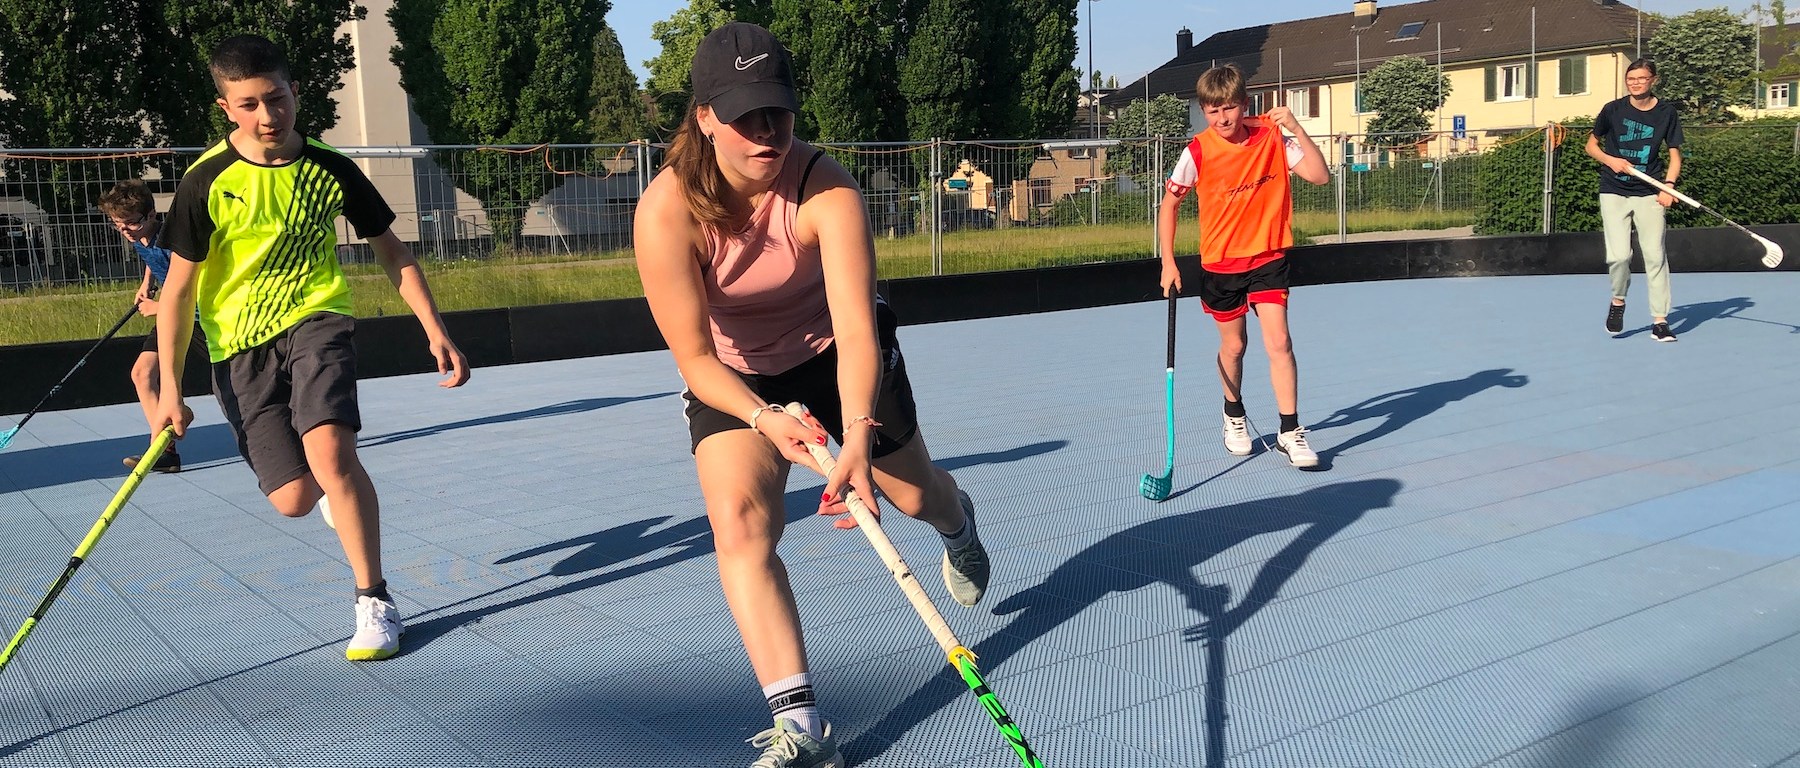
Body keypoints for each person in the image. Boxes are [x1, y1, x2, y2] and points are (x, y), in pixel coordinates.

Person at [632, 22, 989, 767]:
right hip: (739, 377)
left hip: (835, 354)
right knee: (740, 525)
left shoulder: (825, 188)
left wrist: (854, 432)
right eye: (745, 116)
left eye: (779, 111)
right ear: (704, 118)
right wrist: (763, 417)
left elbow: (859, 333)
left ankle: (960, 522)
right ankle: (802, 725)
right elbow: (694, 357)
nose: (767, 132)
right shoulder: (666, 212)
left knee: (914, 496)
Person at [152, 35, 470, 662]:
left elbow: (392, 252)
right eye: (248, 105)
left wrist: (434, 327)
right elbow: (180, 290)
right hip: (237, 342)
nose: (266, 117)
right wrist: (169, 387)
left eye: (276, 99)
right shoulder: (205, 182)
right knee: (295, 499)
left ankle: (374, 600)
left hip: (317, 316)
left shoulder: (331, 168)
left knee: (331, 451)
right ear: (226, 108)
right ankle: (331, 494)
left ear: (295, 92)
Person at [1157, 64, 1331, 469]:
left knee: (1280, 342)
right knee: (1235, 346)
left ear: (1244, 104)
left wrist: (1296, 129)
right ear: (1203, 111)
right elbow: (1169, 205)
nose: (1224, 119)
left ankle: (1290, 431)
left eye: (1231, 109)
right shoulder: (1197, 151)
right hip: (1221, 263)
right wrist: (1168, 262)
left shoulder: (1273, 138)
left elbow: (1320, 176)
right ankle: (1233, 415)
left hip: (1268, 258)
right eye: (1214, 111)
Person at [99, 180, 208, 473]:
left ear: (151, 216)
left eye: (129, 224)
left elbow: (194, 296)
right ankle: (164, 450)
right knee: (142, 373)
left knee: (234, 387)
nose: (124, 231)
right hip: (171, 316)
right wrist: (147, 283)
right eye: (116, 225)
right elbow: (151, 259)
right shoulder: (138, 236)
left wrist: (159, 307)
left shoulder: (174, 242)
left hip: (200, 319)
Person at [1586, 57, 1684, 342]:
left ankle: (1660, 320)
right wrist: (1610, 159)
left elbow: (1675, 156)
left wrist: (1668, 187)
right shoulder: (1612, 110)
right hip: (1613, 190)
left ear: (1653, 80)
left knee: (1655, 256)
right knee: (1618, 257)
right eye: (1631, 79)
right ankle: (1618, 301)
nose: (1636, 83)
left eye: (1641, 79)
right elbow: (1591, 145)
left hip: (1649, 192)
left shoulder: (1666, 113)